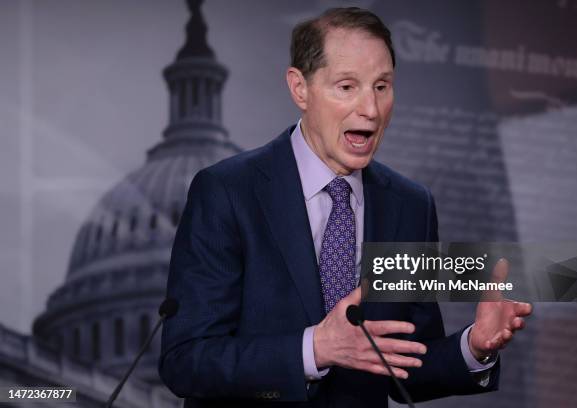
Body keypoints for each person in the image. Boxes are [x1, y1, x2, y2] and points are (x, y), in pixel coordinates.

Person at [159, 7, 532, 408]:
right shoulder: (228, 191)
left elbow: (406, 363)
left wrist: (474, 347)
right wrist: (314, 349)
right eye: (347, 86)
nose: (370, 109)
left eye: (382, 86)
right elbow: (186, 361)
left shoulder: (409, 205)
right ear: (300, 88)